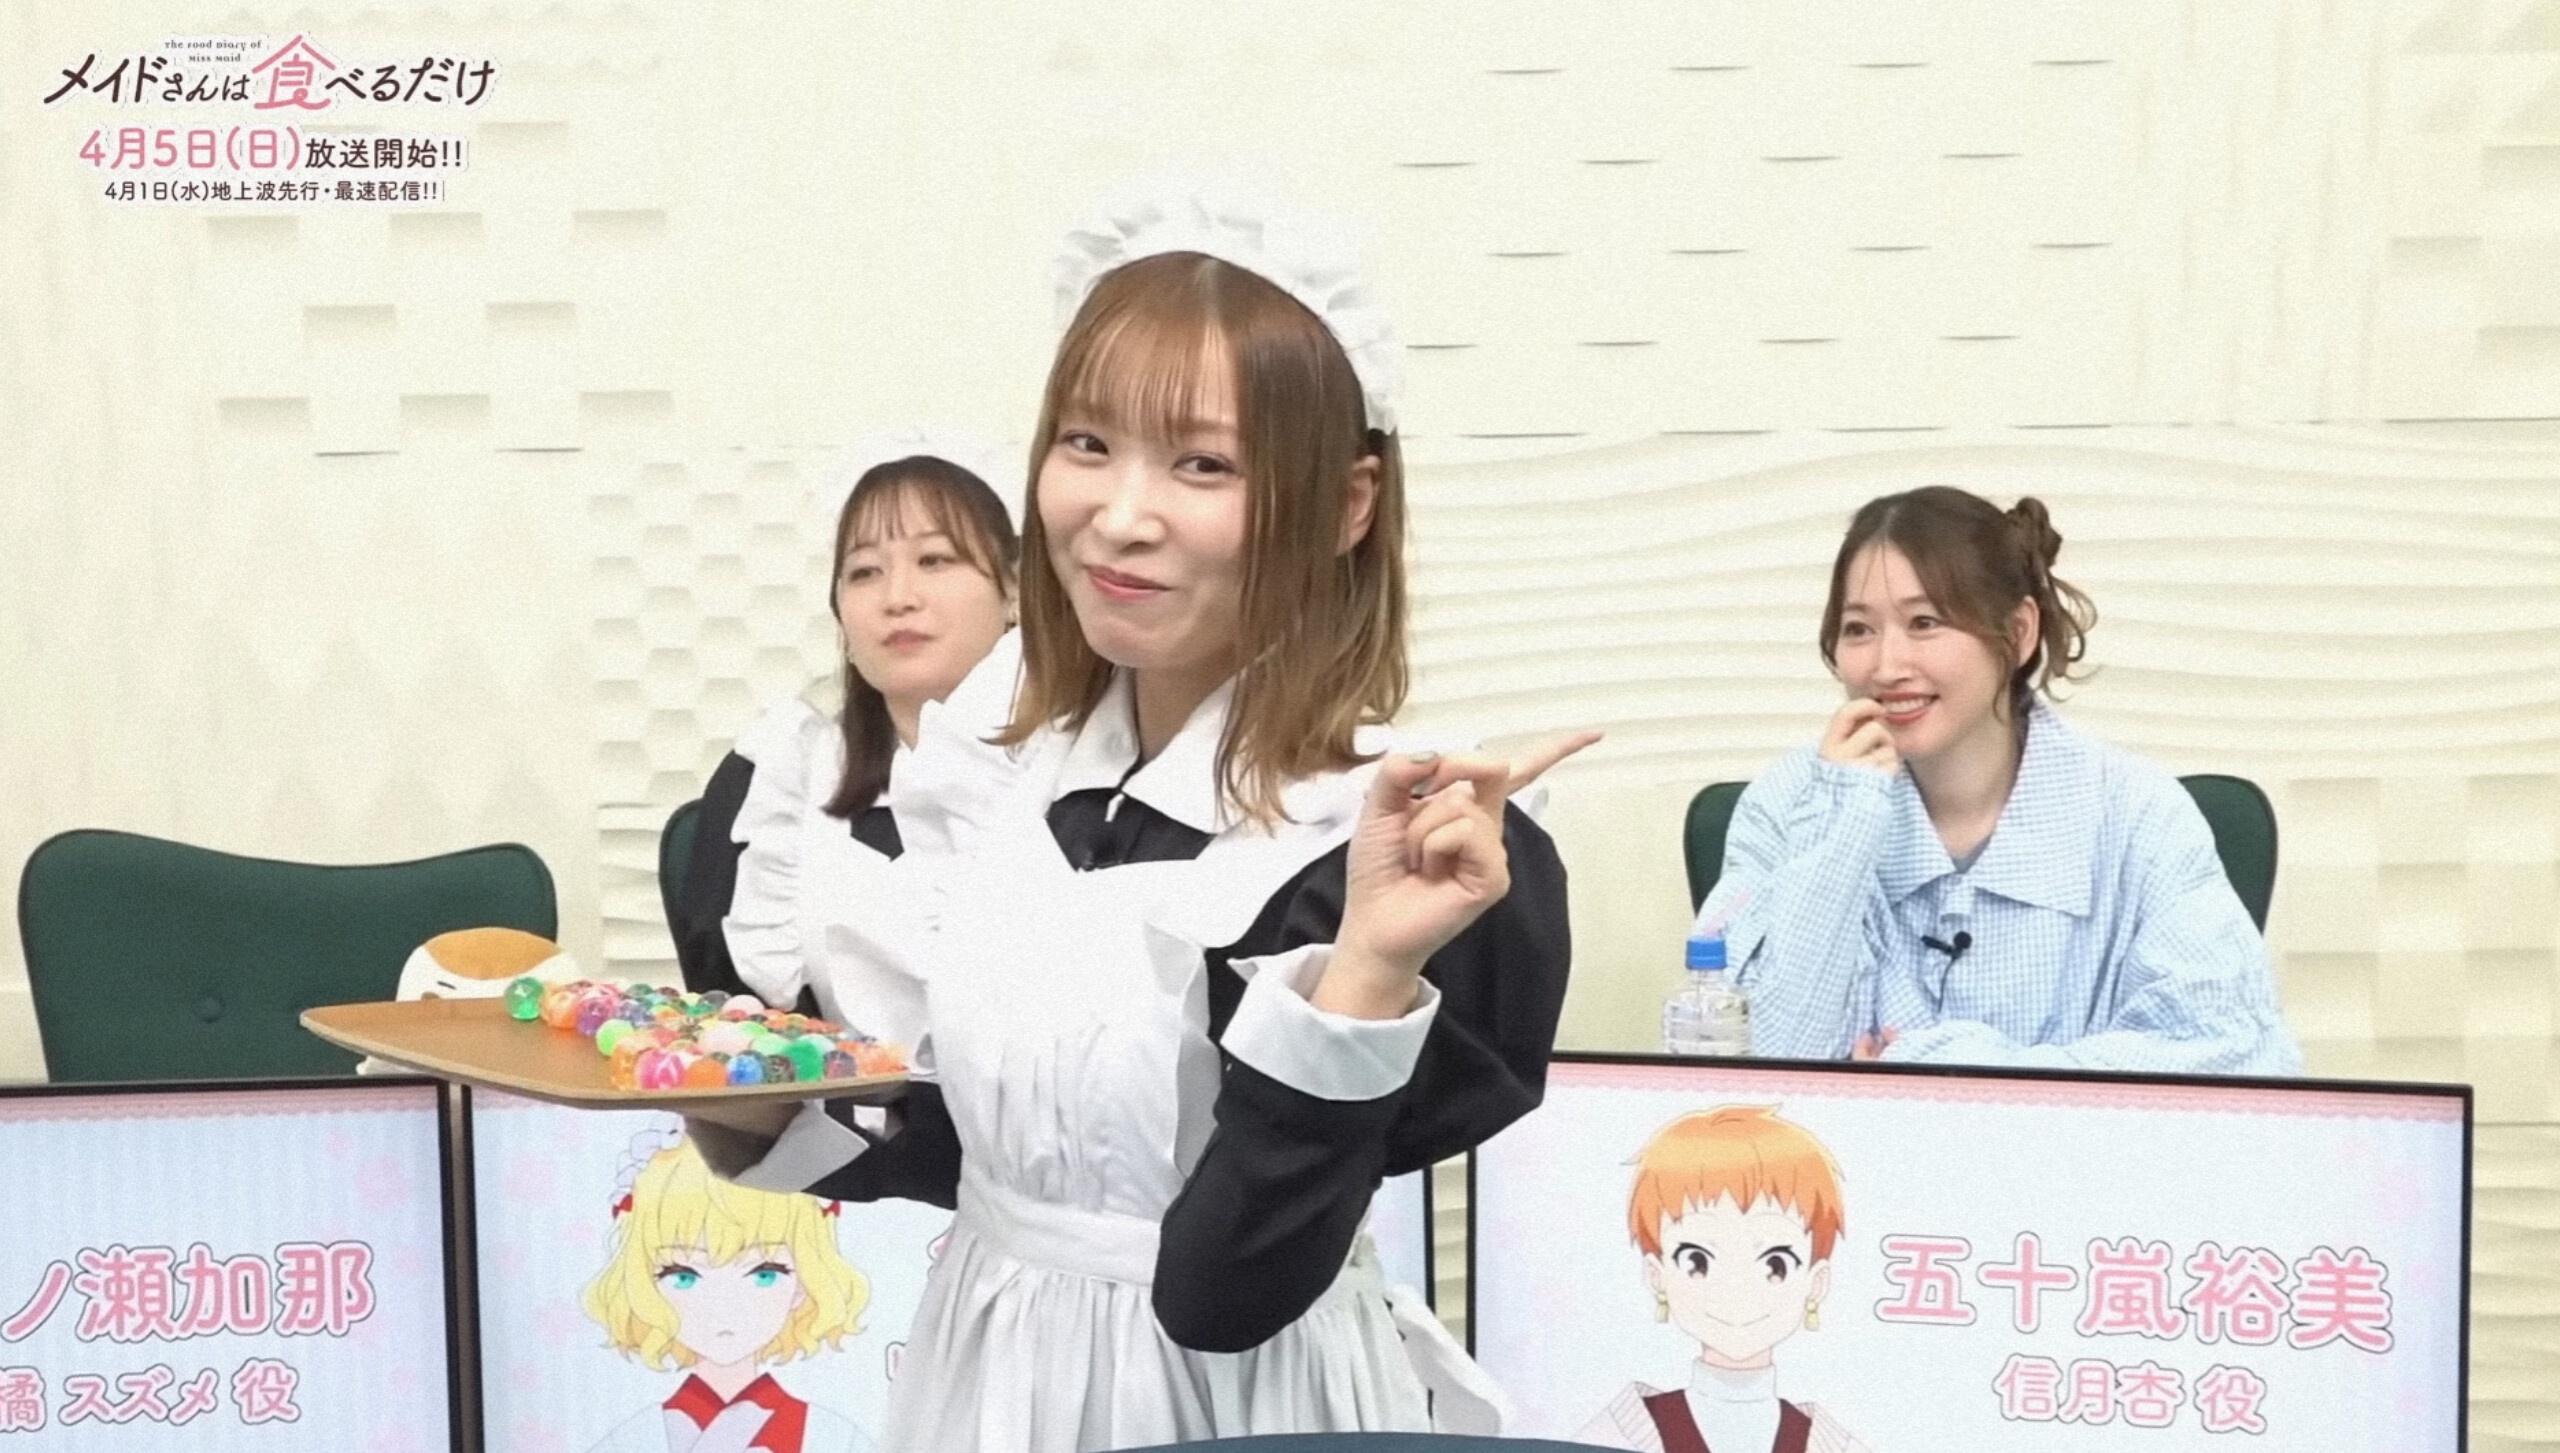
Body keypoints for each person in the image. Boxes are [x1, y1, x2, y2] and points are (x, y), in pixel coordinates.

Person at [687, 183, 1592, 1450]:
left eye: (1202, 463)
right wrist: (740, 1101)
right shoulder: (996, 776)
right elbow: (999, 1159)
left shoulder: (1389, 847)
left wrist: (1365, 976)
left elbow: (1224, 1289)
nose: (1118, 517)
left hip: (1235, 1407)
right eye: (1086, 443)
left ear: (1347, 503)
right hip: (981, 1376)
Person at [1695, 486, 2300, 1073]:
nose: (1886, 666)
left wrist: (1946, 1069)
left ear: (2017, 633)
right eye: (1858, 628)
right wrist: (1839, 830)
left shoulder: (2138, 815)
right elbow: (1748, 1068)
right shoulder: (1788, 805)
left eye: (1925, 622)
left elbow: (2240, 1057)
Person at [670, 442, 1018, 1023]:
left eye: (934, 560)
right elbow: (744, 1052)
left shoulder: (1091, 773)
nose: (898, 598)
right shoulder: (777, 782)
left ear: (1013, 592)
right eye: (865, 572)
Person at [1579, 1106, 1866, 1453]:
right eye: (1697, 1261)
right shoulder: (1615, 1434)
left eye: (1775, 1264)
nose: (1736, 1287)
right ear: (1657, 1275)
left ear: (1816, 1283)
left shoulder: (1833, 1444)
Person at [582, 1132, 875, 1453]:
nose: (724, 1305)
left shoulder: (833, 1439)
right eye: (683, 1277)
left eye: (764, 1274)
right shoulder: (630, 1441)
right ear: (646, 1287)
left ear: (803, 1286)